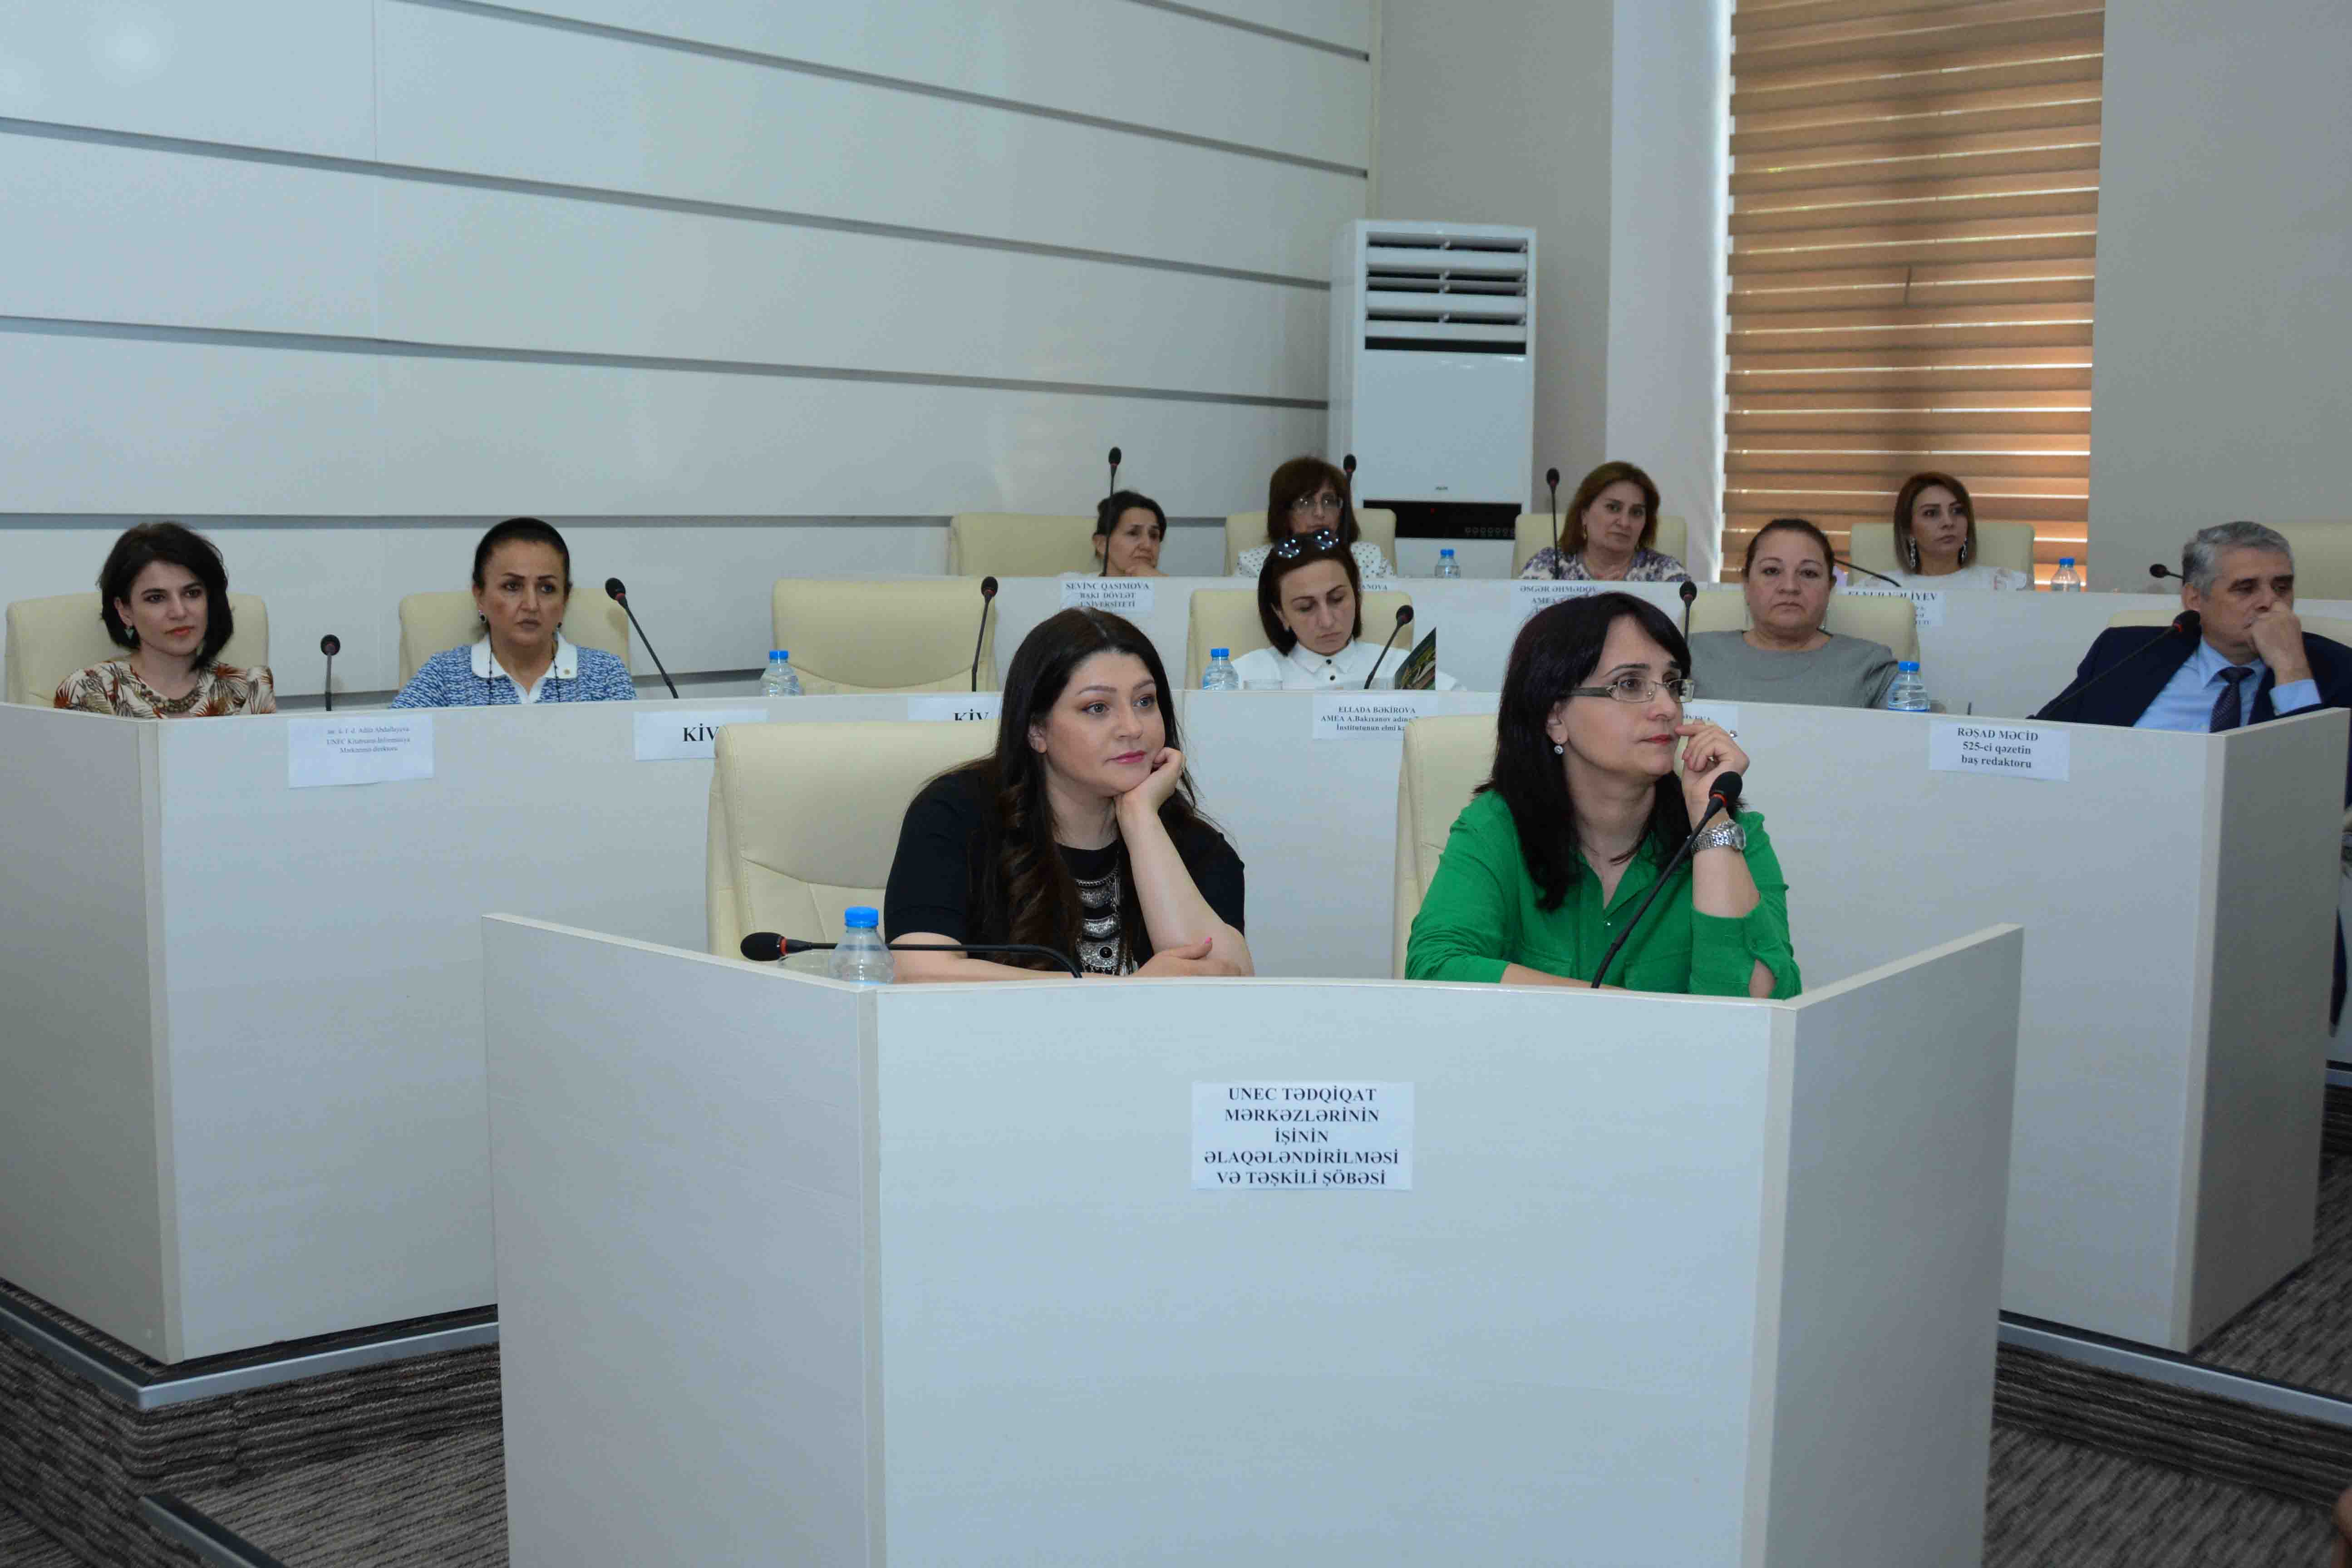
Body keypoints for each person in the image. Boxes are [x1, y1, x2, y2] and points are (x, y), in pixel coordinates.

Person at [1406, 592, 1798, 996]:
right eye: (1629, 684)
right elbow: (1435, 969)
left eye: (1672, 684)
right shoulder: (1498, 828)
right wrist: (1614, 1009)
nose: (1667, 707)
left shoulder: (1732, 834)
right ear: (1555, 717)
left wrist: (1710, 821)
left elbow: (1768, 1005)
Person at [2049, 521, 2352, 1023]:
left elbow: (2322, 792)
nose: (2270, 604)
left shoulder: (2333, 669)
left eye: (2282, 586)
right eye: (2245, 588)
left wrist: (2291, 671)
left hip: (2252, 881)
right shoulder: (2126, 652)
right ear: (2194, 598)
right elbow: (2047, 738)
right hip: (2112, 863)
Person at [885, 607, 1251, 980]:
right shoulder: (955, 815)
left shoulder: (1194, 846)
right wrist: (1118, 992)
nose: (1132, 727)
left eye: (1145, 701)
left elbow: (1225, 987)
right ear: (1037, 731)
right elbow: (919, 973)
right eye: (1097, 708)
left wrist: (1140, 817)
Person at [390, 518, 636, 707]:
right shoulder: (444, 676)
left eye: (547, 588)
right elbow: (390, 750)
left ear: (565, 600)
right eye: (512, 587)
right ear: (480, 595)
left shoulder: (606, 675)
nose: (531, 605)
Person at [54, 522, 276, 718]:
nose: (179, 612)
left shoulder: (249, 691)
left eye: (192, 594)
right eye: (156, 598)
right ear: (125, 611)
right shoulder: (90, 691)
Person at [1686, 518, 1899, 708]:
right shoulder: (1693, 655)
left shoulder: (1870, 665)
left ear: (1830, 588)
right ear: (1747, 584)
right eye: (1772, 571)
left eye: (1809, 573)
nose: (1790, 587)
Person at [1227, 529, 1459, 690]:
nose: (1327, 621)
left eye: (1337, 599)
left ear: (1356, 596)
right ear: (1281, 614)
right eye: (1306, 608)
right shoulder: (1246, 676)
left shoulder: (1399, 668)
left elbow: (1464, 714)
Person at [1517, 461, 1691, 583]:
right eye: (1613, 508)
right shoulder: (1549, 565)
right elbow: (1524, 621)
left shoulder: (1664, 572)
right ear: (1584, 515)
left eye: (1636, 512)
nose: (1625, 523)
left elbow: (1684, 624)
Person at [1232, 456, 1395, 582]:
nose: (1320, 513)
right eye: (1306, 503)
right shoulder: (1254, 565)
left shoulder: (1369, 559)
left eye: (1329, 501)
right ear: (1283, 513)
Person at [1883, 472, 2031, 590]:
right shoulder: (1882, 589)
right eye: (1931, 513)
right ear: (1908, 529)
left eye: (1957, 511)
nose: (1948, 522)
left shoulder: (2006, 586)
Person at [1088, 491, 1167, 577]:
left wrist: (1162, 583)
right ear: (1102, 544)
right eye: (1133, 533)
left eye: (1154, 536)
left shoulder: (1172, 584)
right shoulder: (1078, 584)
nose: (1147, 546)